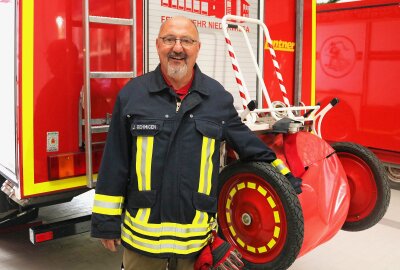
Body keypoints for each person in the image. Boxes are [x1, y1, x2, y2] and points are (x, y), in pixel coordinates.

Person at [91, 16, 302, 270]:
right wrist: (106, 223)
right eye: (169, 39)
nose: (177, 48)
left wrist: (287, 180)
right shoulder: (132, 95)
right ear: (157, 44)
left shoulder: (217, 99)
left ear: (197, 48)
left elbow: (250, 147)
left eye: (186, 41)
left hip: (195, 245)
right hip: (141, 244)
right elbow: (115, 162)